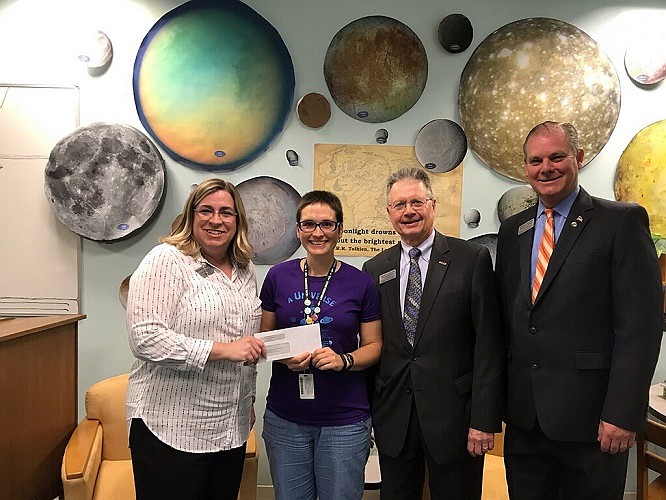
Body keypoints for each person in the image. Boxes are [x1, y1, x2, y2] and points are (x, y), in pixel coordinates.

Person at [495, 121, 663, 499]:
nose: (546, 168)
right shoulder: (513, 231)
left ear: (579, 158)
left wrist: (622, 413)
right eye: (535, 160)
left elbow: (641, 326)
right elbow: (509, 322)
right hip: (526, 422)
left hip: (593, 423)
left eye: (557, 156)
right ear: (525, 167)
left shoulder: (620, 221)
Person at [362, 167, 504, 499]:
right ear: (389, 213)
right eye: (399, 205)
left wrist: (484, 420)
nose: (408, 211)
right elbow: (374, 346)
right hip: (395, 419)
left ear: (433, 205)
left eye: (416, 202)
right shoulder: (375, 269)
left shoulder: (471, 259)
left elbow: (489, 346)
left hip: (456, 421)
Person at [125, 178, 266, 500]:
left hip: (228, 425)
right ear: (191, 216)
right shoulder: (166, 260)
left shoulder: (245, 270)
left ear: (238, 221)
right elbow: (144, 337)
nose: (216, 220)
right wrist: (221, 350)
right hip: (171, 425)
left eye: (226, 213)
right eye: (206, 210)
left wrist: (248, 401)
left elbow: (247, 344)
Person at [260, 190, 382, 500]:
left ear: (340, 229)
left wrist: (345, 361)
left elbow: (375, 345)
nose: (318, 233)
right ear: (298, 229)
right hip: (286, 418)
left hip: (344, 420)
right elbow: (264, 339)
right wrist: (285, 356)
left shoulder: (361, 282)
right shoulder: (277, 276)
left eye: (327, 224)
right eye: (309, 224)